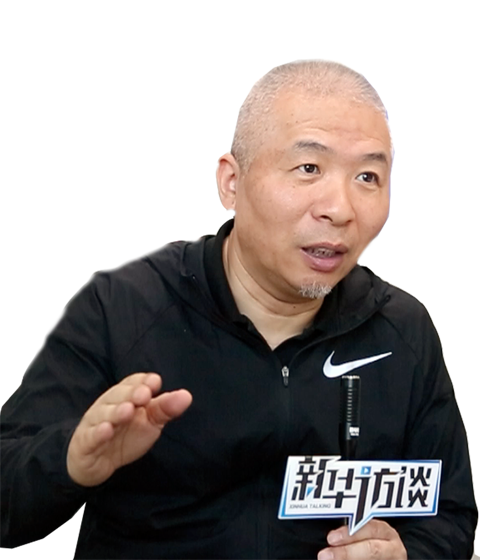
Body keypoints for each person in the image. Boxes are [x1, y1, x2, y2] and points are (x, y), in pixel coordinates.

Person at [0, 59, 477, 559]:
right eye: (309, 168)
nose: (340, 208)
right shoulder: (120, 309)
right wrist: (68, 463)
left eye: (367, 176)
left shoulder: (401, 331)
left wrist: (405, 553)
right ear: (231, 181)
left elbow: (449, 517)